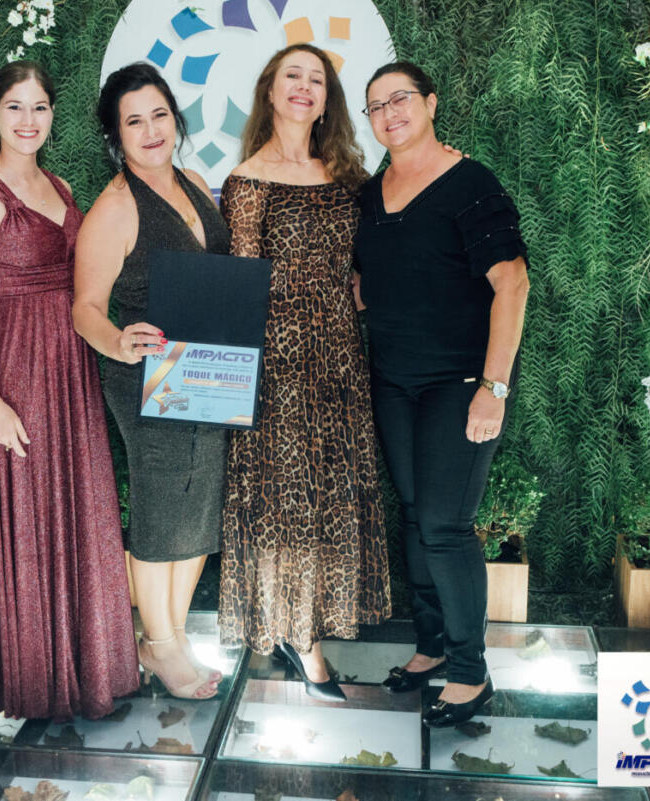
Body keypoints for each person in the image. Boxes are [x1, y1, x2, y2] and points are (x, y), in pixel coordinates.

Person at [0, 62, 138, 721]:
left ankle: (85, 669)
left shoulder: (61, 186)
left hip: (71, 369)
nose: (28, 120)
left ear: (53, 115)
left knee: (78, 506)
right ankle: (31, 680)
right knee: (26, 517)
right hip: (12, 373)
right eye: (15, 107)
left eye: (40, 108)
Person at [355, 61, 530, 727]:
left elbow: (513, 283)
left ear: (430, 103)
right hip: (394, 381)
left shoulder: (470, 184)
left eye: (400, 99)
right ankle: (431, 646)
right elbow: (370, 281)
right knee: (412, 515)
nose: (389, 113)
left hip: (459, 382)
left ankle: (469, 671)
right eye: (376, 106)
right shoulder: (372, 195)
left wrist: (494, 387)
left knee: (445, 525)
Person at [218, 44, 391, 701]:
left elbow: (372, 253)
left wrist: (364, 284)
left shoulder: (349, 175)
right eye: (292, 75)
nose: (304, 86)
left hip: (341, 356)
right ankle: (303, 638)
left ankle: (316, 619)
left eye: (316, 79)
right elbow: (240, 284)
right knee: (287, 500)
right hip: (278, 363)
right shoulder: (247, 182)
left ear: (326, 101)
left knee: (331, 490)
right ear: (269, 90)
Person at [73, 63, 228, 701]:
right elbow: (85, 308)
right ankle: (158, 644)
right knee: (164, 509)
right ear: (116, 136)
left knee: (201, 504)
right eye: (133, 121)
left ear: (175, 118)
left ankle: (174, 635)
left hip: (207, 373)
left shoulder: (192, 183)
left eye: (159, 114)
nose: (150, 130)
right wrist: (118, 342)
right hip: (147, 378)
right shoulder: (115, 207)